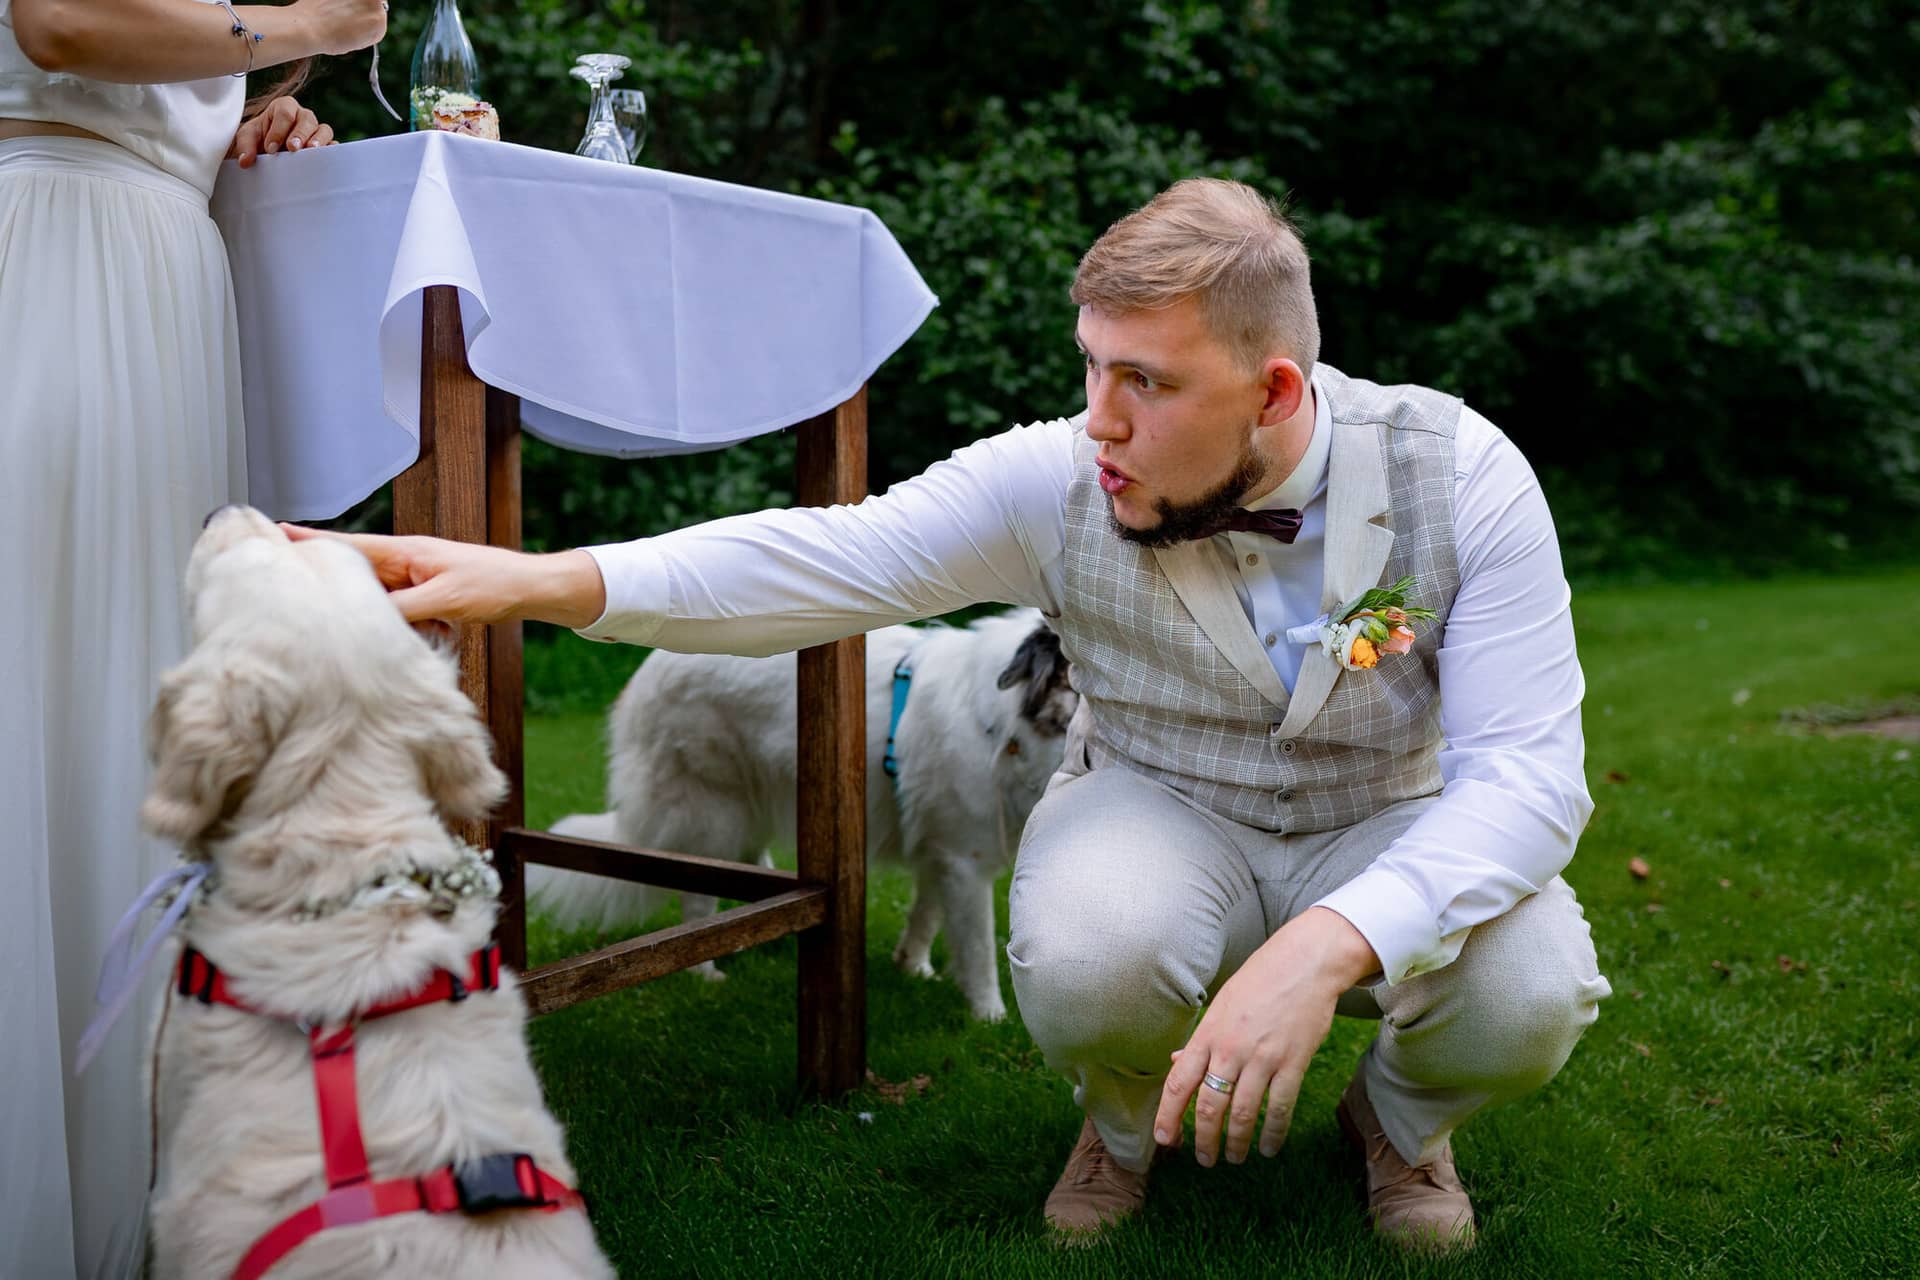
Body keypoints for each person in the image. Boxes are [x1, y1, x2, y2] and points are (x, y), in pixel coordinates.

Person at [297, 177, 1612, 1254]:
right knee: (1089, 956)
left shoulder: (1460, 475)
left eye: (1146, 383)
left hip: (1380, 816)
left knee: (1529, 990)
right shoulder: (1060, 476)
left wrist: (1327, 946)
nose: (1099, 421)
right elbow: (827, 557)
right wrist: (541, 580)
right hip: (1159, 798)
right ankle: (1115, 1121)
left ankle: (1397, 1123)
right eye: (1092, 367)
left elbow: (1529, 780)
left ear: (1273, 393)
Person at [1, 1, 385, 1274]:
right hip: (59, 258)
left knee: (137, 718)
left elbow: (154, 58)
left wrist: (244, 105)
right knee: (43, 685)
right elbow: (58, 24)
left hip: (160, 261)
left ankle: (122, 1163)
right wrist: (307, 20)